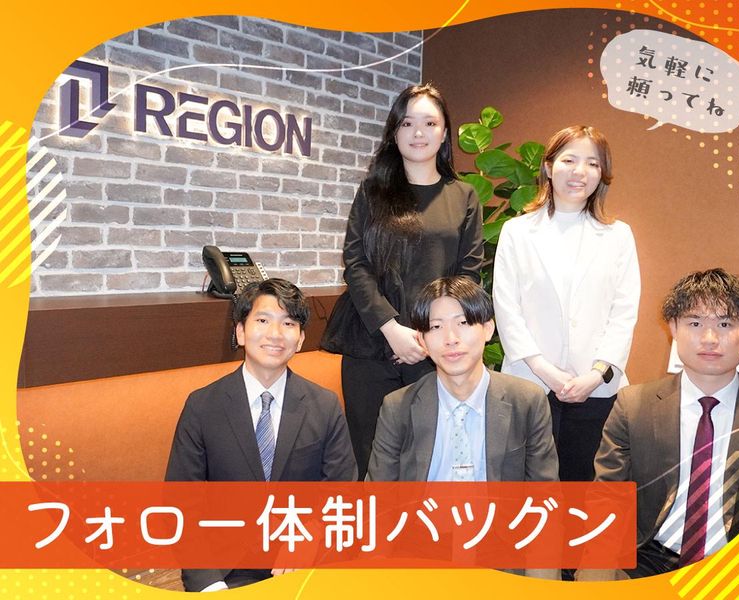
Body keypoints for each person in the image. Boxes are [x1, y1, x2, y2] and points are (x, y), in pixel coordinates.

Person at [322, 83, 483, 479]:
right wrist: (392, 328)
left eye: (429, 123)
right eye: (407, 123)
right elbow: (355, 263)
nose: (418, 132)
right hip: (371, 342)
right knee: (369, 454)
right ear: (394, 132)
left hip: (434, 347)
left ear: (444, 133)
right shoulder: (372, 192)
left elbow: (468, 275)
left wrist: (428, 335)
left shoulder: (463, 196)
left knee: (425, 455)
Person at [582, 268, 739, 579]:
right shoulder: (634, 406)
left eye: (725, 324)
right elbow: (606, 498)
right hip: (649, 560)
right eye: (695, 323)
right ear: (673, 327)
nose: (710, 339)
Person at [165, 279, 357, 592]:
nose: (275, 334)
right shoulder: (202, 406)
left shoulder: (324, 405)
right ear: (241, 331)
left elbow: (342, 494)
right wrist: (210, 584)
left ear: (300, 339)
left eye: (288, 323)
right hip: (226, 571)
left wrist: (311, 536)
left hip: (303, 562)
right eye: (263, 320)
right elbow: (180, 506)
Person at [492, 124, 640, 482]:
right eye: (569, 160)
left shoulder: (618, 236)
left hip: (595, 388)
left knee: (584, 488)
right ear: (548, 166)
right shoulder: (517, 232)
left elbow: (624, 313)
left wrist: (596, 374)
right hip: (530, 382)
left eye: (592, 163)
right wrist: (545, 370)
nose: (580, 172)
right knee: (525, 489)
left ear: (602, 174)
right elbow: (506, 308)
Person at [367, 276, 558, 484]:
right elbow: (379, 495)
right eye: (436, 327)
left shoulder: (527, 401)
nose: (451, 339)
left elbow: (544, 492)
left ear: (488, 329)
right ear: (422, 340)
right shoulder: (397, 408)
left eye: (463, 322)